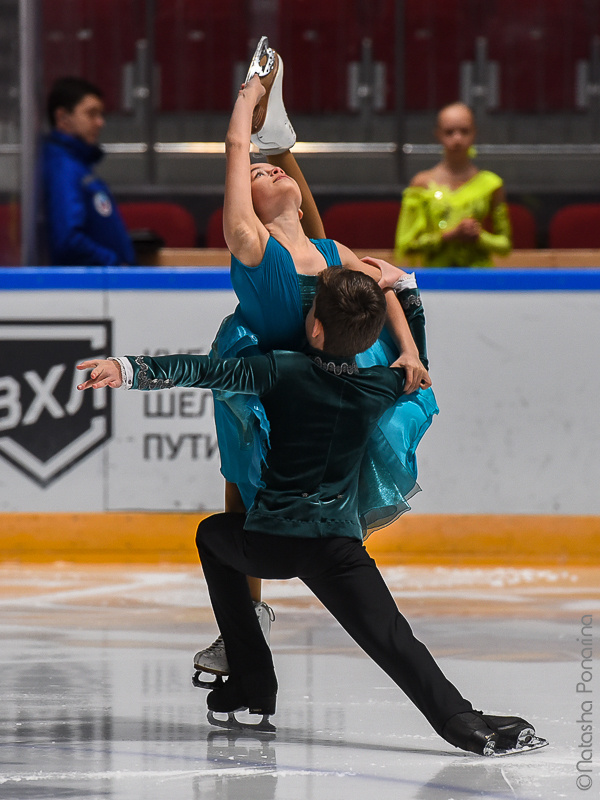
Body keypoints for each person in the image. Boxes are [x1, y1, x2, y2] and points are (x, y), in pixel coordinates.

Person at [76, 268, 545, 757]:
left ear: (314, 327)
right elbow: (415, 368)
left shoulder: (282, 369)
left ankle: (253, 680)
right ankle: (464, 725)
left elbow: (205, 370)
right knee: (393, 639)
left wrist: (127, 369)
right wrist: (406, 293)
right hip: (336, 550)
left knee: (212, 535)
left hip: (269, 545)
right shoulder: (378, 384)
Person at [194, 38, 438, 678]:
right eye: (261, 173)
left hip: (322, 352)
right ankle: (248, 616)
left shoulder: (328, 250)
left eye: (274, 170)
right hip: (270, 363)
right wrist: (249, 103)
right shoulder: (251, 240)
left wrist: (410, 350)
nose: (268, 177)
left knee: (321, 254)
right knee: (244, 475)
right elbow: (239, 157)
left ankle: (280, 136)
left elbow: (371, 285)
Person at [394, 102, 512, 267]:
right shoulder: (421, 183)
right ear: (438, 134)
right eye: (449, 132)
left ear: (474, 133)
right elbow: (405, 244)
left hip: (479, 276)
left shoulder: (491, 184)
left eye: (464, 131)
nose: (457, 139)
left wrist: (479, 236)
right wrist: (447, 236)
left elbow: (505, 245)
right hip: (437, 277)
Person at [42, 76, 137, 267]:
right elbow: (68, 239)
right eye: (91, 114)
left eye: (100, 115)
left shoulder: (77, 164)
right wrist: (113, 263)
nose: (100, 122)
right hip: (92, 282)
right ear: (62, 118)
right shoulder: (63, 167)